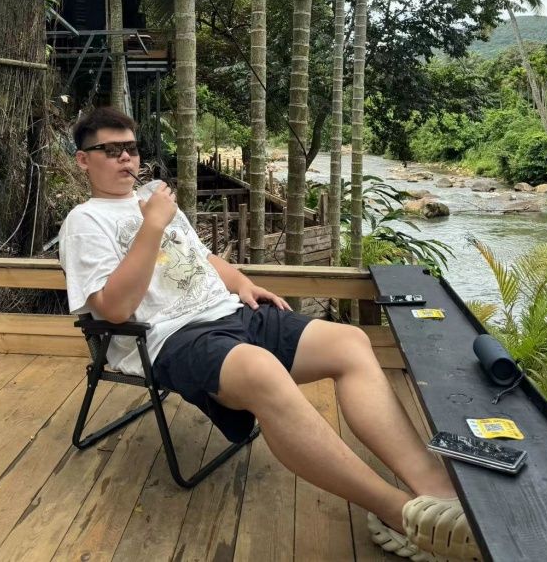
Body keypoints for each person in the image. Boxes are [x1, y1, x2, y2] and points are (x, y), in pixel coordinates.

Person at [59, 106, 480, 562]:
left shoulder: (153, 199)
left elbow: (200, 257)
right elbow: (114, 308)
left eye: (131, 148)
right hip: (170, 337)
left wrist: (241, 282)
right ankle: (400, 514)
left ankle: (436, 491)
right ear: (84, 160)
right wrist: (153, 224)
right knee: (262, 370)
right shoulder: (85, 222)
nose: (125, 158)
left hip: (230, 312)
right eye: (110, 150)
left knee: (350, 343)